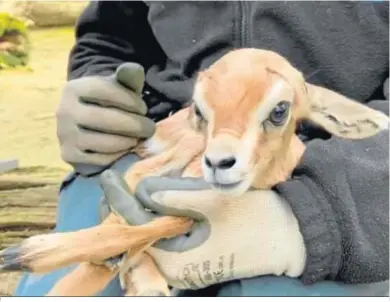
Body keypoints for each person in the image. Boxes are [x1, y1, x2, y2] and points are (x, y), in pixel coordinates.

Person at [13, 1, 389, 296]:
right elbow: (110, 37)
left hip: (348, 189)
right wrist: (98, 90)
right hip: (147, 159)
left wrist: (312, 216)